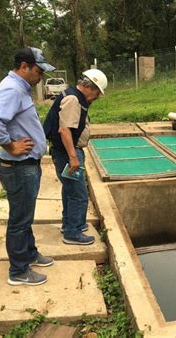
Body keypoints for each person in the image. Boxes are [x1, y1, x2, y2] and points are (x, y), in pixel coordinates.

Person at [0, 47, 56, 286]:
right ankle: (18, 271)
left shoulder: (18, 88)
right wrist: (10, 145)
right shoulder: (12, 89)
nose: (40, 76)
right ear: (24, 66)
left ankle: (29, 253)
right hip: (19, 166)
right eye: (38, 71)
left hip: (26, 166)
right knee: (20, 219)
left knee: (25, 215)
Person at [43, 69, 107, 245]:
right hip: (66, 153)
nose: (97, 97)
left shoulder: (75, 96)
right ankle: (73, 233)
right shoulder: (73, 99)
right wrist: (73, 157)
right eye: (97, 92)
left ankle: (71, 223)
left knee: (70, 190)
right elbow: (64, 130)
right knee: (79, 193)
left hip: (65, 151)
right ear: (88, 86)